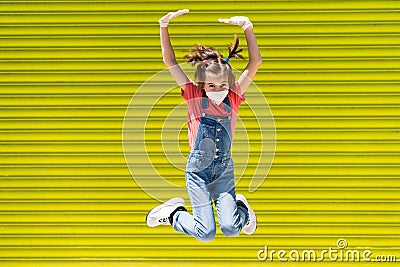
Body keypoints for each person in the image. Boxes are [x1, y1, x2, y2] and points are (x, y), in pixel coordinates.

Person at [146, 9, 262, 242]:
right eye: (211, 85)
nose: (218, 90)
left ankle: (242, 209)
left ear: (229, 84)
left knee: (231, 228)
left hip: (223, 171)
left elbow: (255, 62)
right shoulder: (193, 97)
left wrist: (247, 27)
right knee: (206, 233)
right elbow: (169, 61)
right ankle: (173, 215)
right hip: (198, 172)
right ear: (202, 85)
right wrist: (163, 26)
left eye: (222, 85)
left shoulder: (234, 97)